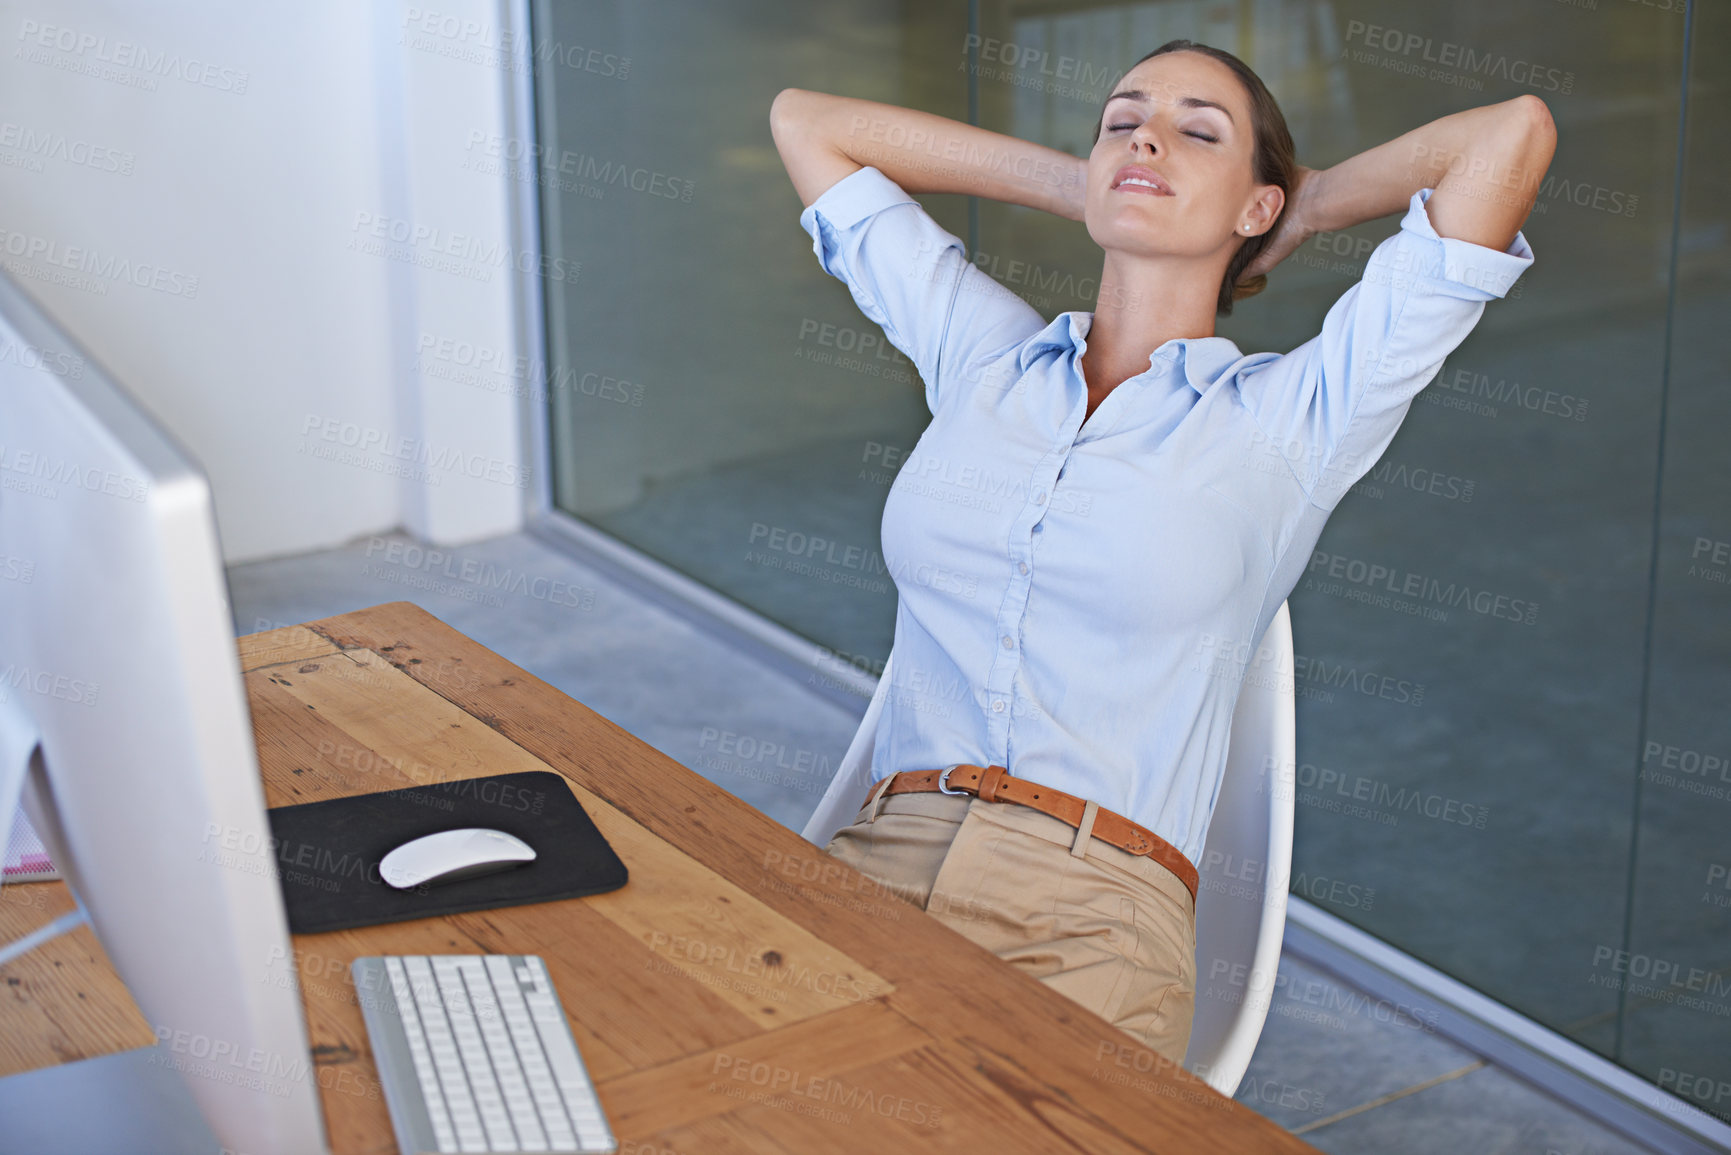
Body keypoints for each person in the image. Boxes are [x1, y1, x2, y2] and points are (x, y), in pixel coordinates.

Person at [768, 40, 1553, 1065]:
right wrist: (1099, 183)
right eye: (1121, 120)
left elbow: (1511, 137)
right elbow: (807, 123)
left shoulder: (1294, 419)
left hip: (1087, 921)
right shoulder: (985, 358)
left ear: (1256, 208)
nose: (1145, 135)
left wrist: (1306, 206)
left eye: (1199, 131)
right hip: (875, 856)